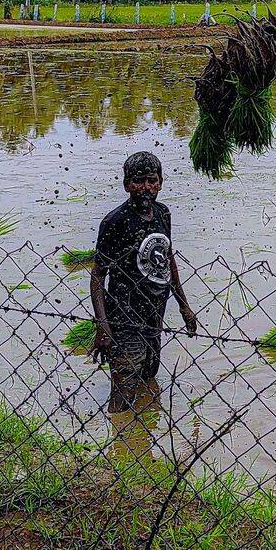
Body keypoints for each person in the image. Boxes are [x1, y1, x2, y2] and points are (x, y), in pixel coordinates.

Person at [90, 151, 199, 411]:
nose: (146, 187)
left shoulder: (163, 213)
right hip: (124, 316)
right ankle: (119, 428)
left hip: (155, 311)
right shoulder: (116, 221)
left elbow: (167, 259)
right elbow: (98, 275)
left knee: (149, 376)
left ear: (160, 183)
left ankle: (142, 429)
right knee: (124, 385)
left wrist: (184, 306)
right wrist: (103, 325)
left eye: (152, 180)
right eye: (138, 181)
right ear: (127, 185)